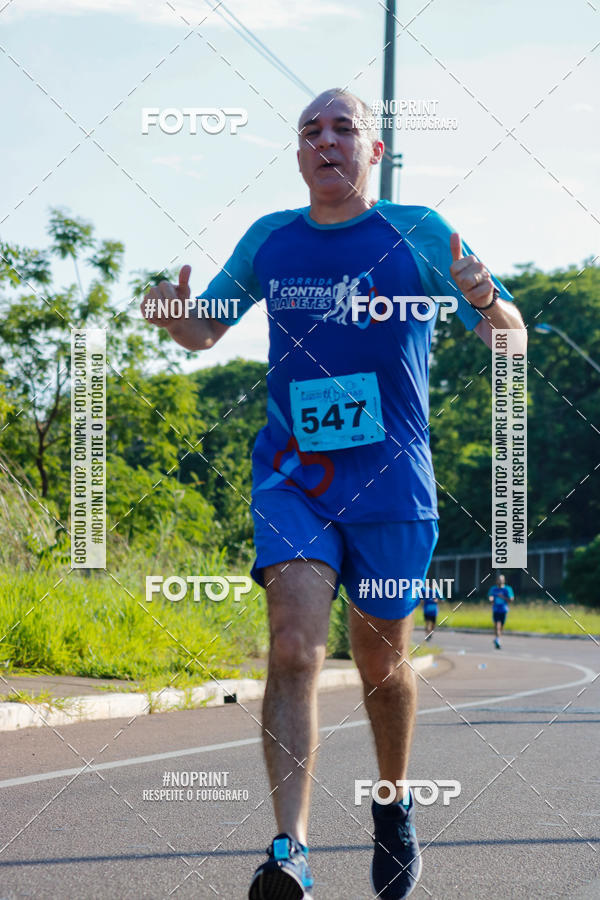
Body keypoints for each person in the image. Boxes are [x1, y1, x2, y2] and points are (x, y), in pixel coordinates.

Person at [141, 88, 526, 900]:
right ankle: (291, 851)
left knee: (382, 662)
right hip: (294, 475)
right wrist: (175, 318)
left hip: (393, 481)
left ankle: (392, 802)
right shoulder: (270, 241)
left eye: (344, 128)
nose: (326, 140)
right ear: (298, 153)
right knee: (294, 646)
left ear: (374, 151)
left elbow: (509, 341)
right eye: (311, 130)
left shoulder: (420, 233)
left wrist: (486, 296)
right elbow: (206, 329)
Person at [488, 572, 515, 649]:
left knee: (501, 626)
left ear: (504, 581)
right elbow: (490, 597)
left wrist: (503, 597)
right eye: (499, 580)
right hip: (496, 609)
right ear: (497, 581)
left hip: (503, 609)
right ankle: (497, 639)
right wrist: (491, 599)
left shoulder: (507, 589)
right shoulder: (493, 589)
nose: (500, 581)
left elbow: (511, 599)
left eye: (501, 580)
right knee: (496, 625)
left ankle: (498, 638)